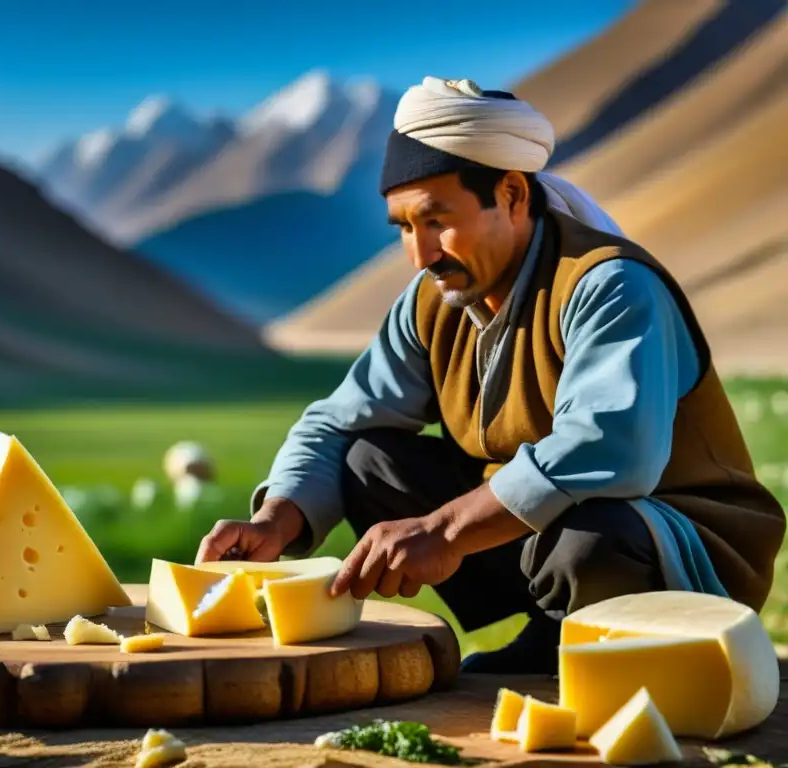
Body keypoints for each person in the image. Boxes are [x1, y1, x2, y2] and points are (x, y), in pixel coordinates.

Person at [195, 77, 785, 673]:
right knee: (368, 460)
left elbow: (613, 452)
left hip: (678, 552)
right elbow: (339, 418)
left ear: (510, 194)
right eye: (403, 227)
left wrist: (445, 531)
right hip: (548, 539)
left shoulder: (609, 285)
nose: (421, 254)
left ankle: (585, 648)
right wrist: (277, 519)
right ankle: (550, 629)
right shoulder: (432, 299)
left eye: (436, 220)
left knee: (588, 538)